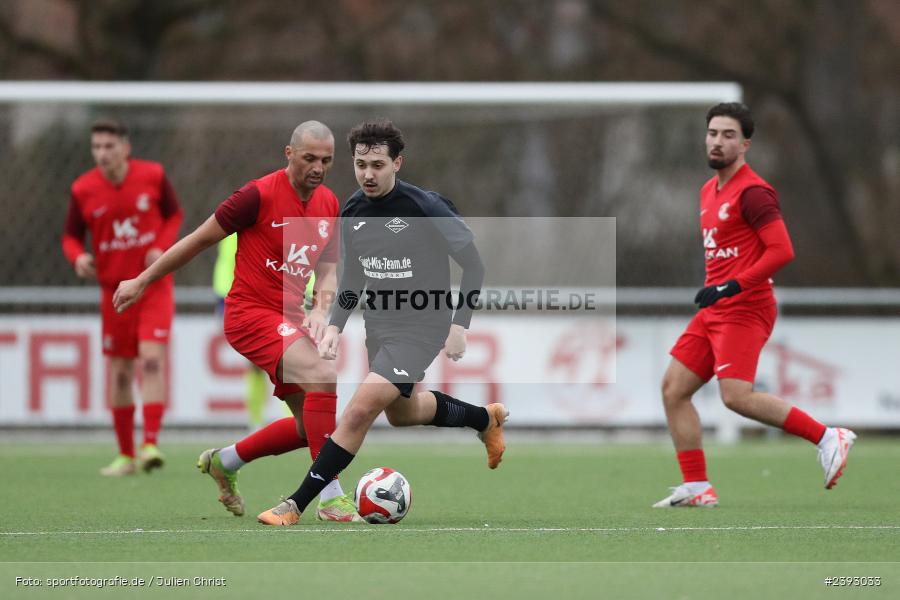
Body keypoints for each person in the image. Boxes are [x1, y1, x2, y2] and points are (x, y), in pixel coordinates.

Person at [256, 119, 507, 526]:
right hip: (380, 327)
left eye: (377, 165)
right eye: (360, 165)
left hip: (422, 327)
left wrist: (459, 324)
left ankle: (296, 505)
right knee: (403, 414)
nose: (368, 174)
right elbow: (354, 277)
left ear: (397, 164)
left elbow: (474, 266)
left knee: (358, 412)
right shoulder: (353, 210)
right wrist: (336, 324)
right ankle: (484, 419)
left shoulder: (426, 208)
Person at [113, 121, 360, 522]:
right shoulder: (256, 195)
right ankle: (331, 495)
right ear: (289, 154)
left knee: (306, 428)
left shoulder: (328, 204)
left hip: (291, 318)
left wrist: (320, 309)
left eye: (327, 161)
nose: (318, 167)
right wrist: (143, 281)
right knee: (323, 375)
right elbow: (198, 239)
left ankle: (225, 461)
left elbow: (329, 270)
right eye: (309, 158)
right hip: (249, 315)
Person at [653, 103, 855, 508]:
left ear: (745, 144)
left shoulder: (754, 193)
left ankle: (827, 436)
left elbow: (782, 251)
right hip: (715, 309)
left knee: (735, 397)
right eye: (713, 133)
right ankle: (696, 487)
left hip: (745, 308)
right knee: (674, 389)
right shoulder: (708, 191)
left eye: (728, 135)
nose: (717, 141)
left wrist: (730, 285)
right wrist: (719, 288)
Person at [63, 118, 183, 476]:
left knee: (150, 360)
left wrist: (161, 246)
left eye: (109, 146)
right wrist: (78, 257)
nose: (102, 154)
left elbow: (174, 215)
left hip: (152, 287)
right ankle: (126, 455)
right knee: (118, 372)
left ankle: (150, 444)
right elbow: (70, 237)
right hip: (113, 292)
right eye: (96, 147)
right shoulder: (83, 188)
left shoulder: (153, 175)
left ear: (125, 148)